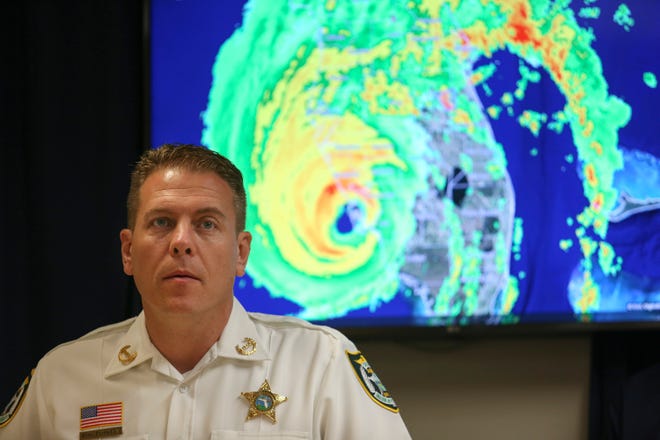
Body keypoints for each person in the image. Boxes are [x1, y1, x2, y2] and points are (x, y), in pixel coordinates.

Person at [0, 144, 412, 439]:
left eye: (207, 223)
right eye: (161, 222)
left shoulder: (320, 366)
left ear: (240, 253)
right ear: (128, 251)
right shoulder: (61, 379)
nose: (181, 242)